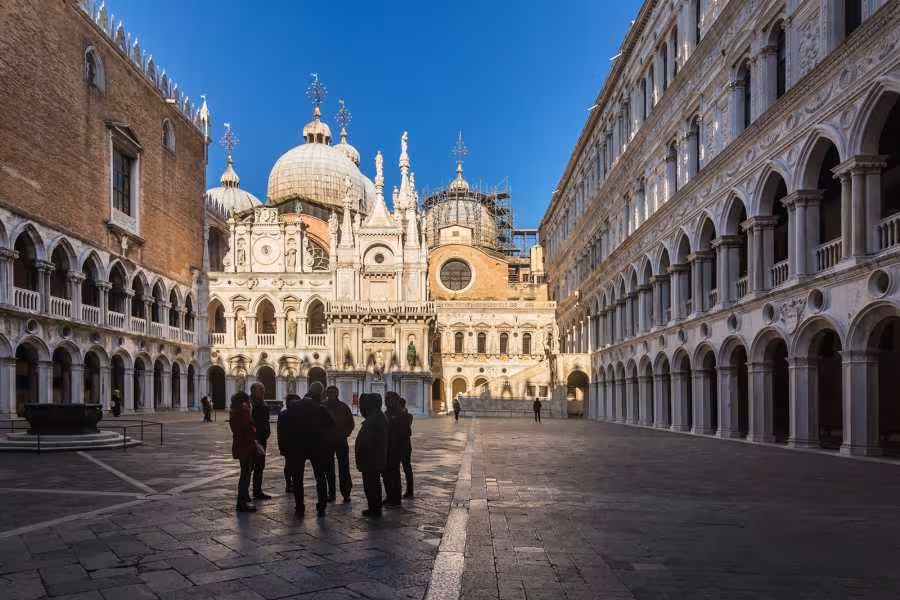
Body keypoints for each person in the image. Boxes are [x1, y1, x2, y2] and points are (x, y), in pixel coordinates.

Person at [280, 382, 335, 518]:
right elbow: (331, 427)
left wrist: (285, 447)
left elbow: (284, 426)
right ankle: (321, 506)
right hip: (317, 448)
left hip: (297, 448)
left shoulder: (293, 407)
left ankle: (299, 507)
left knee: (297, 479)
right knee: (320, 477)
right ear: (320, 394)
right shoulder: (320, 408)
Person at [355, 393, 387, 518]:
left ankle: (374, 508)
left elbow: (367, 442)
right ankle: (374, 507)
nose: (361, 408)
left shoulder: (373, 420)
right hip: (374, 458)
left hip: (371, 459)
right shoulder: (377, 418)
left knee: (371, 484)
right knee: (373, 484)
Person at [322, 385, 355, 503]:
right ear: (326, 394)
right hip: (327, 442)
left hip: (341, 441)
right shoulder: (323, 407)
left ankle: (346, 493)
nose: (331, 395)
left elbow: (351, 423)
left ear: (337, 394)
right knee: (328, 469)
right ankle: (331, 494)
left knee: (344, 468)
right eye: (329, 392)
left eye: (333, 392)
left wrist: (345, 434)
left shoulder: (343, 407)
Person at [229, 392, 257, 512]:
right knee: (245, 474)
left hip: (240, 445)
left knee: (245, 472)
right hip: (246, 445)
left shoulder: (234, 412)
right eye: (247, 401)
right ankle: (241, 503)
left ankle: (244, 498)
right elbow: (250, 427)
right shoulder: (242, 413)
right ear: (243, 402)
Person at [382, 392, 408, 508]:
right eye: (386, 399)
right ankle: (389, 496)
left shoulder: (402, 415)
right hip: (386, 448)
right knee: (386, 474)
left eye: (390, 399)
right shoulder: (386, 414)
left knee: (394, 473)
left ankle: (396, 499)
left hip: (396, 448)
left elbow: (406, 432)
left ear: (396, 401)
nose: (388, 402)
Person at [250, 383, 272, 500]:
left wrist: (266, 432)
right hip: (252, 440)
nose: (263, 391)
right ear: (253, 391)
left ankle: (257, 490)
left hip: (262, 439)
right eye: (260, 390)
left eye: (263, 389)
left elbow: (265, 420)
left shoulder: (263, 403)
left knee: (259, 466)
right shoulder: (249, 404)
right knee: (249, 467)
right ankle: (244, 493)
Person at [277, 395, 297, 493]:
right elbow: (280, 431)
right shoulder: (283, 414)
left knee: (294, 465)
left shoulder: (299, 413)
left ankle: (293, 482)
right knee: (289, 465)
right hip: (288, 444)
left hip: (296, 444)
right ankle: (289, 483)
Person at [399, 397, 414, 499]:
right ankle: (396, 490)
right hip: (398, 446)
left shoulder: (407, 416)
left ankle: (409, 490)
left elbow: (407, 430)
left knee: (407, 468)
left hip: (404, 446)